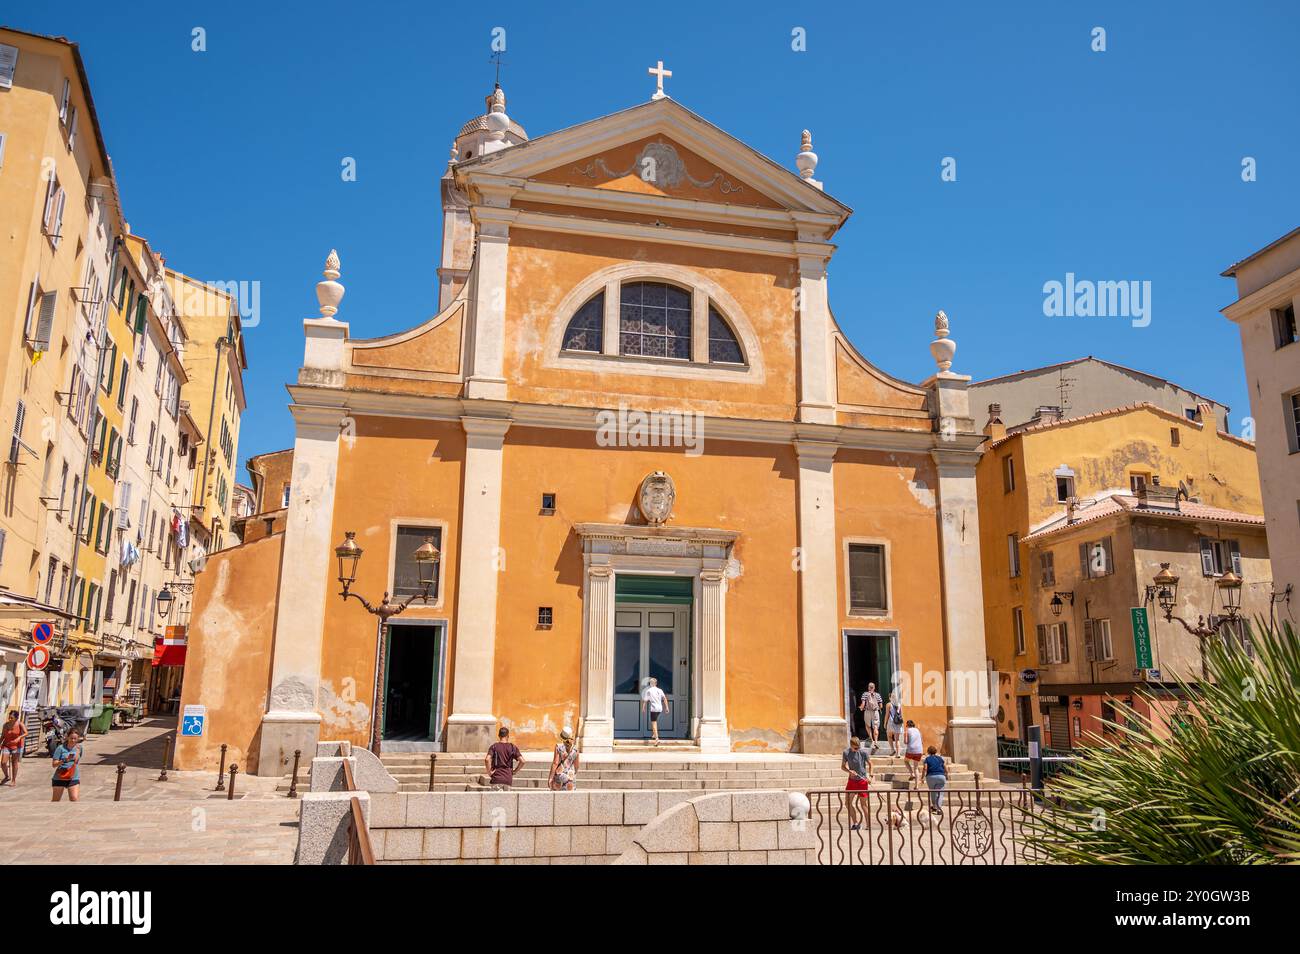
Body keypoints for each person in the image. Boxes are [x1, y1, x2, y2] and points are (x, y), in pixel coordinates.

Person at [841, 736, 871, 831]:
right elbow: (842, 767)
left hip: (862, 781)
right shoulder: (846, 753)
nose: (857, 750)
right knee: (847, 803)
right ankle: (856, 823)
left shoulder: (863, 753)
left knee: (863, 804)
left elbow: (871, 764)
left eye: (858, 747)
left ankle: (868, 825)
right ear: (851, 745)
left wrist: (870, 775)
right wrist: (849, 771)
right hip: (852, 781)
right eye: (855, 748)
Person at [51, 728, 83, 802]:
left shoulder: (79, 748)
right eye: (71, 738)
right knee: (55, 801)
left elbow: (77, 761)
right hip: (60, 777)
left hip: (73, 776)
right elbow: (54, 764)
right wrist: (63, 761)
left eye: (75, 739)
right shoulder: (60, 748)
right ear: (67, 737)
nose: (73, 740)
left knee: (74, 799)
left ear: (78, 739)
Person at [549, 726, 580, 791]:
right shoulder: (576, 749)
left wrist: (550, 778)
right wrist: (573, 775)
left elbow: (555, 763)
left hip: (560, 775)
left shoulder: (559, 747)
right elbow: (577, 766)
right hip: (570, 777)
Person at [641, 677, 669, 746]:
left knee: (654, 723)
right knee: (655, 721)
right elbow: (664, 698)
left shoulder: (649, 690)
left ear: (650, 684)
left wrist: (643, 708)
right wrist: (667, 707)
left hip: (653, 708)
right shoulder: (660, 690)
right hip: (660, 708)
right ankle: (654, 734)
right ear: (656, 683)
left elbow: (645, 700)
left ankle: (657, 739)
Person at [1, 710, 26, 787]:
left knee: (14, 763)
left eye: (11, 717)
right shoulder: (5, 725)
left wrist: (19, 737)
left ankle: (13, 780)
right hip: (7, 745)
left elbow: (26, 733)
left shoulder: (20, 724)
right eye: (9, 717)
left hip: (16, 746)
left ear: (16, 718)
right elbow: (2, 736)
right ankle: (7, 776)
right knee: (3, 763)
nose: (10, 719)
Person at [922, 745, 948, 815]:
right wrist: (946, 775)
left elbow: (925, 768)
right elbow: (945, 767)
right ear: (935, 752)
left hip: (931, 777)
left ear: (928, 752)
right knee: (940, 793)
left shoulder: (927, 759)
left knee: (933, 792)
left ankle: (934, 807)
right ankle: (939, 809)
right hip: (941, 776)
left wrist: (922, 777)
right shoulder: (940, 758)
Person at [858, 683, 883, 751]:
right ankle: (876, 741)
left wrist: (861, 708)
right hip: (875, 712)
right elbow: (881, 706)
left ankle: (871, 739)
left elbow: (863, 704)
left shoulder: (865, 694)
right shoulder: (878, 695)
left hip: (867, 711)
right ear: (874, 688)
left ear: (869, 687)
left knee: (867, 725)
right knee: (875, 727)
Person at [903, 720, 924, 784]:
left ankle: (912, 774)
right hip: (919, 750)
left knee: (906, 761)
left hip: (911, 750)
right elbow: (922, 741)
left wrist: (905, 737)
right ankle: (916, 786)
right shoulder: (918, 731)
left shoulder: (907, 731)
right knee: (916, 768)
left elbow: (905, 742)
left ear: (907, 725)